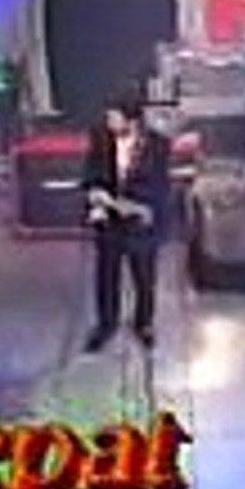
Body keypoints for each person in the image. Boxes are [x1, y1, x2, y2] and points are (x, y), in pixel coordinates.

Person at [81, 96, 171, 353]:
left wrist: (140, 209)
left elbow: (160, 185)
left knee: (144, 277)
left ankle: (144, 323)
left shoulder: (157, 144)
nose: (108, 122)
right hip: (109, 221)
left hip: (141, 220)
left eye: (114, 118)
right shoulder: (100, 138)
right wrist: (95, 195)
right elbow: (91, 173)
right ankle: (106, 324)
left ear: (131, 121)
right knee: (106, 276)